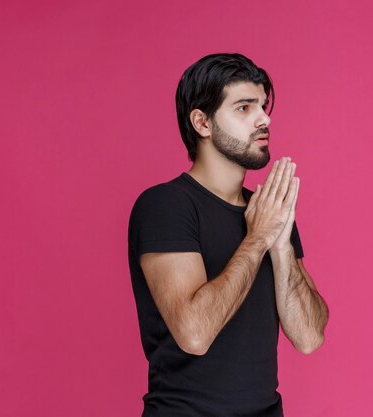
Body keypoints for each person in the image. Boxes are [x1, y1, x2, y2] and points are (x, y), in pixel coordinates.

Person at [128, 53, 329, 417]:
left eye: (263, 106)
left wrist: (280, 245)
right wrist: (257, 239)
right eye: (244, 107)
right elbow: (194, 334)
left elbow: (309, 337)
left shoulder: (268, 211)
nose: (264, 118)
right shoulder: (165, 206)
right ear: (202, 122)